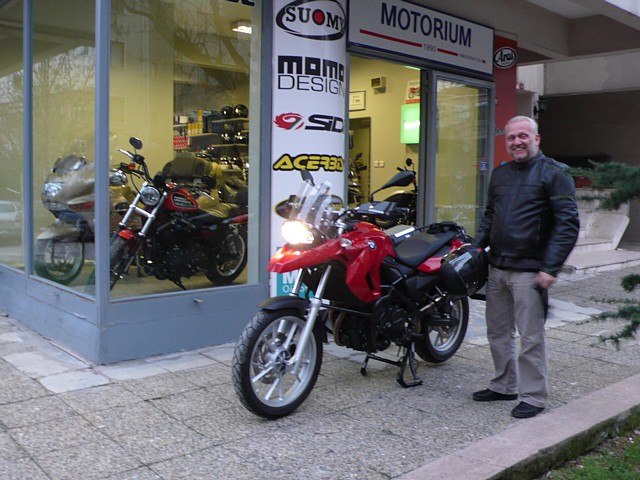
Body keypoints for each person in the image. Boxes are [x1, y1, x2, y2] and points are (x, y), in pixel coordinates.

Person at [472, 115, 579, 419]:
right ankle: (504, 385)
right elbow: (490, 215)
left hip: (531, 271)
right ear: (506, 141)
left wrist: (550, 268)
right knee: (498, 332)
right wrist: (475, 247)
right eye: (511, 137)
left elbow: (567, 225)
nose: (517, 142)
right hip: (498, 267)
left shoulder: (555, 173)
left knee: (530, 337)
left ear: (536, 139)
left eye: (523, 136)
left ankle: (533, 396)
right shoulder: (500, 174)